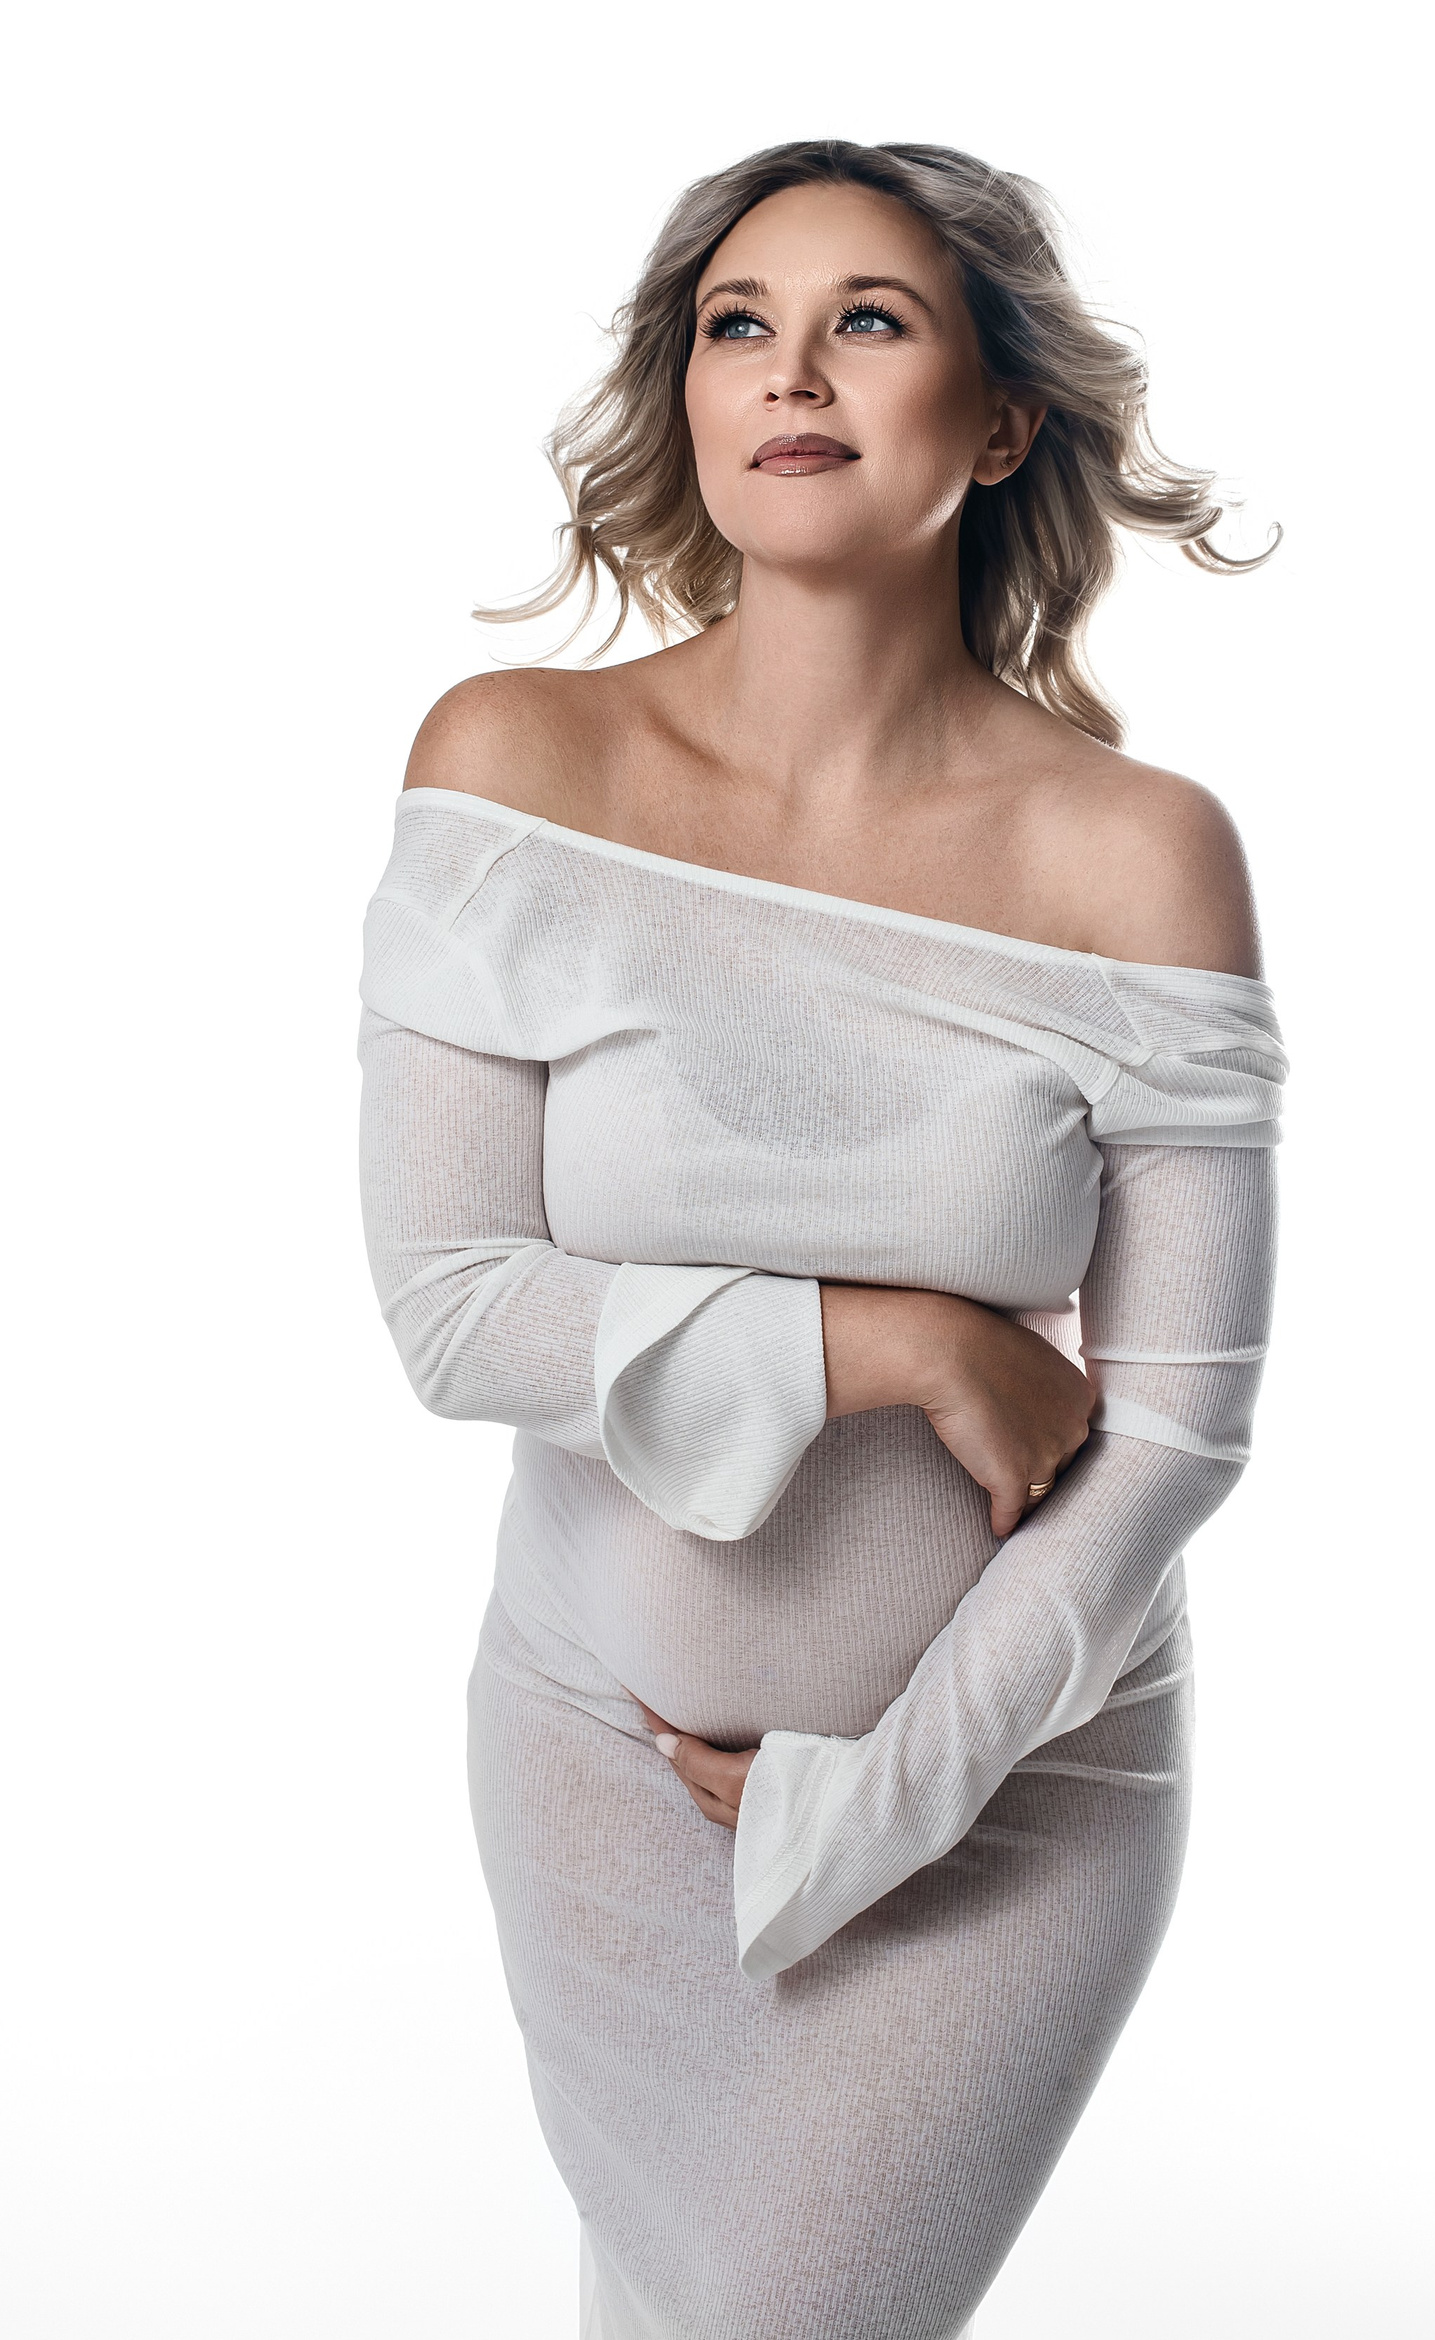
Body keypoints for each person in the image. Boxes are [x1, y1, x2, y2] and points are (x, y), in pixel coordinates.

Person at [358, 138, 1283, 2340]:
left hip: (1013, 1790)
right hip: (601, 1756)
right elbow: (457, 1310)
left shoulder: (1139, 854)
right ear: (686, 394)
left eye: (870, 318)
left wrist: (885, 1796)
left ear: (1001, 419)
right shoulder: (517, 769)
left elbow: (1172, 1440)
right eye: (738, 324)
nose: (793, 371)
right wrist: (906, 1339)